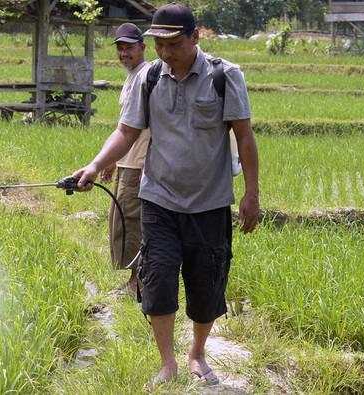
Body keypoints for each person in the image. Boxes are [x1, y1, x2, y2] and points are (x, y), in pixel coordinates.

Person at [72, 3, 260, 390]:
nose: (166, 52)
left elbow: (243, 134)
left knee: (206, 285)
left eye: (174, 43)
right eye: (159, 44)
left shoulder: (225, 77)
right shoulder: (150, 78)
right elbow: (126, 131)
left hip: (209, 203)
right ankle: (168, 362)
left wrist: (251, 194)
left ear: (195, 37)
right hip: (157, 199)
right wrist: (94, 166)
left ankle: (197, 353)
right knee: (157, 282)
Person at [101, 23, 150, 296]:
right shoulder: (132, 76)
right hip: (127, 160)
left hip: (140, 163)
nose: (124, 53)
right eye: (120, 48)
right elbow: (125, 125)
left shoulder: (145, 76)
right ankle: (134, 281)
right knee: (123, 221)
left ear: (143, 47)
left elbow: (138, 129)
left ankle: (139, 285)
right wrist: (112, 160)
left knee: (134, 222)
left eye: (129, 47)